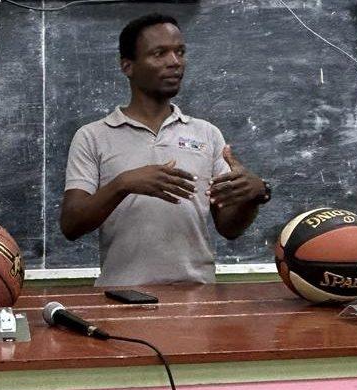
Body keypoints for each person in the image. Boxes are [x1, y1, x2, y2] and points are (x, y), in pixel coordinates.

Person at [59, 14, 270, 287]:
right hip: (121, 294)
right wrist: (123, 184)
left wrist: (254, 196)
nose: (175, 62)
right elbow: (71, 226)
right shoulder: (93, 136)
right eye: (159, 53)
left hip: (197, 295)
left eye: (180, 52)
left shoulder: (206, 134)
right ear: (128, 66)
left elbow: (229, 228)